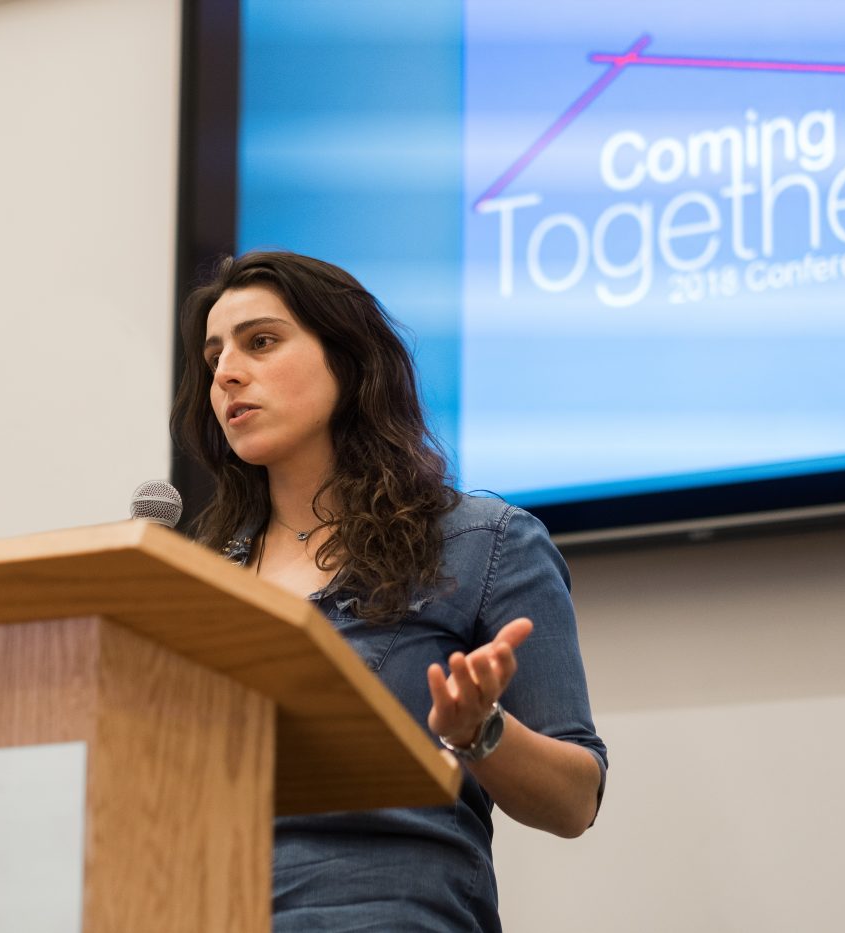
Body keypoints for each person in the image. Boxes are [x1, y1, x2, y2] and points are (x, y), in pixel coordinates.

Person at [171, 251, 607, 932]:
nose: (224, 373)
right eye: (213, 356)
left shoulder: (485, 541)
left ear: (347, 361)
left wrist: (479, 731)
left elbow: (574, 801)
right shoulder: (199, 578)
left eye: (260, 342)